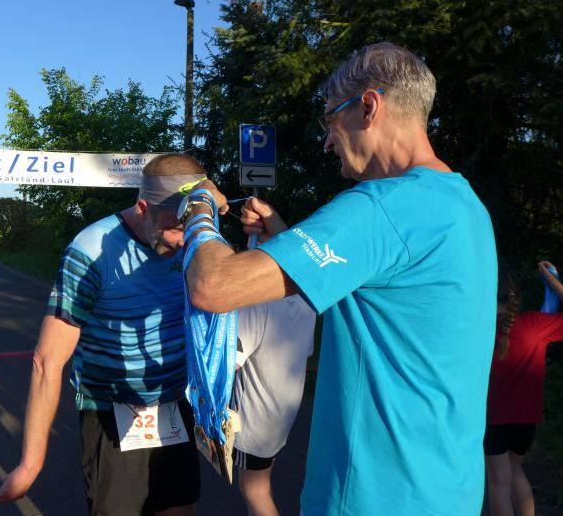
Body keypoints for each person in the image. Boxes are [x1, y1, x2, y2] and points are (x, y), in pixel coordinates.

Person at [181, 42, 497, 514]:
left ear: (368, 107)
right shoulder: (463, 204)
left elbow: (214, 285)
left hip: (373, 496)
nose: (327, 141)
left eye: (330, 120)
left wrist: (198, 206)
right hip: (446, 489)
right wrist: (284, 235)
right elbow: (387, 296)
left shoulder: (383, 206)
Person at [0, 154, 207, 516]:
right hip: (112, 411)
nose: (183, 242)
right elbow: (47, 360)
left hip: (174, 405)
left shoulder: (198, 238)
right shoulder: (91, 250)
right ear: (143, 207)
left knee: (179, 509)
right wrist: (30, 465)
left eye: (190, 228)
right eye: (173, 228)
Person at [484, 265, 563, 516]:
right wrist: (552, 281)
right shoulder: (535, 325)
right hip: (526, 420)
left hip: (493, 420)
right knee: (516, 472)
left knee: (499, 483)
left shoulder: (478, 329)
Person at [232, 294, 315, 516]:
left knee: (254, 490)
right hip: (284, 408)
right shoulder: (304, 296)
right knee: (261, 483)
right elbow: (307, 349)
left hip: (255, 417)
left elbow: (232, 360)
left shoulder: (257, 300)